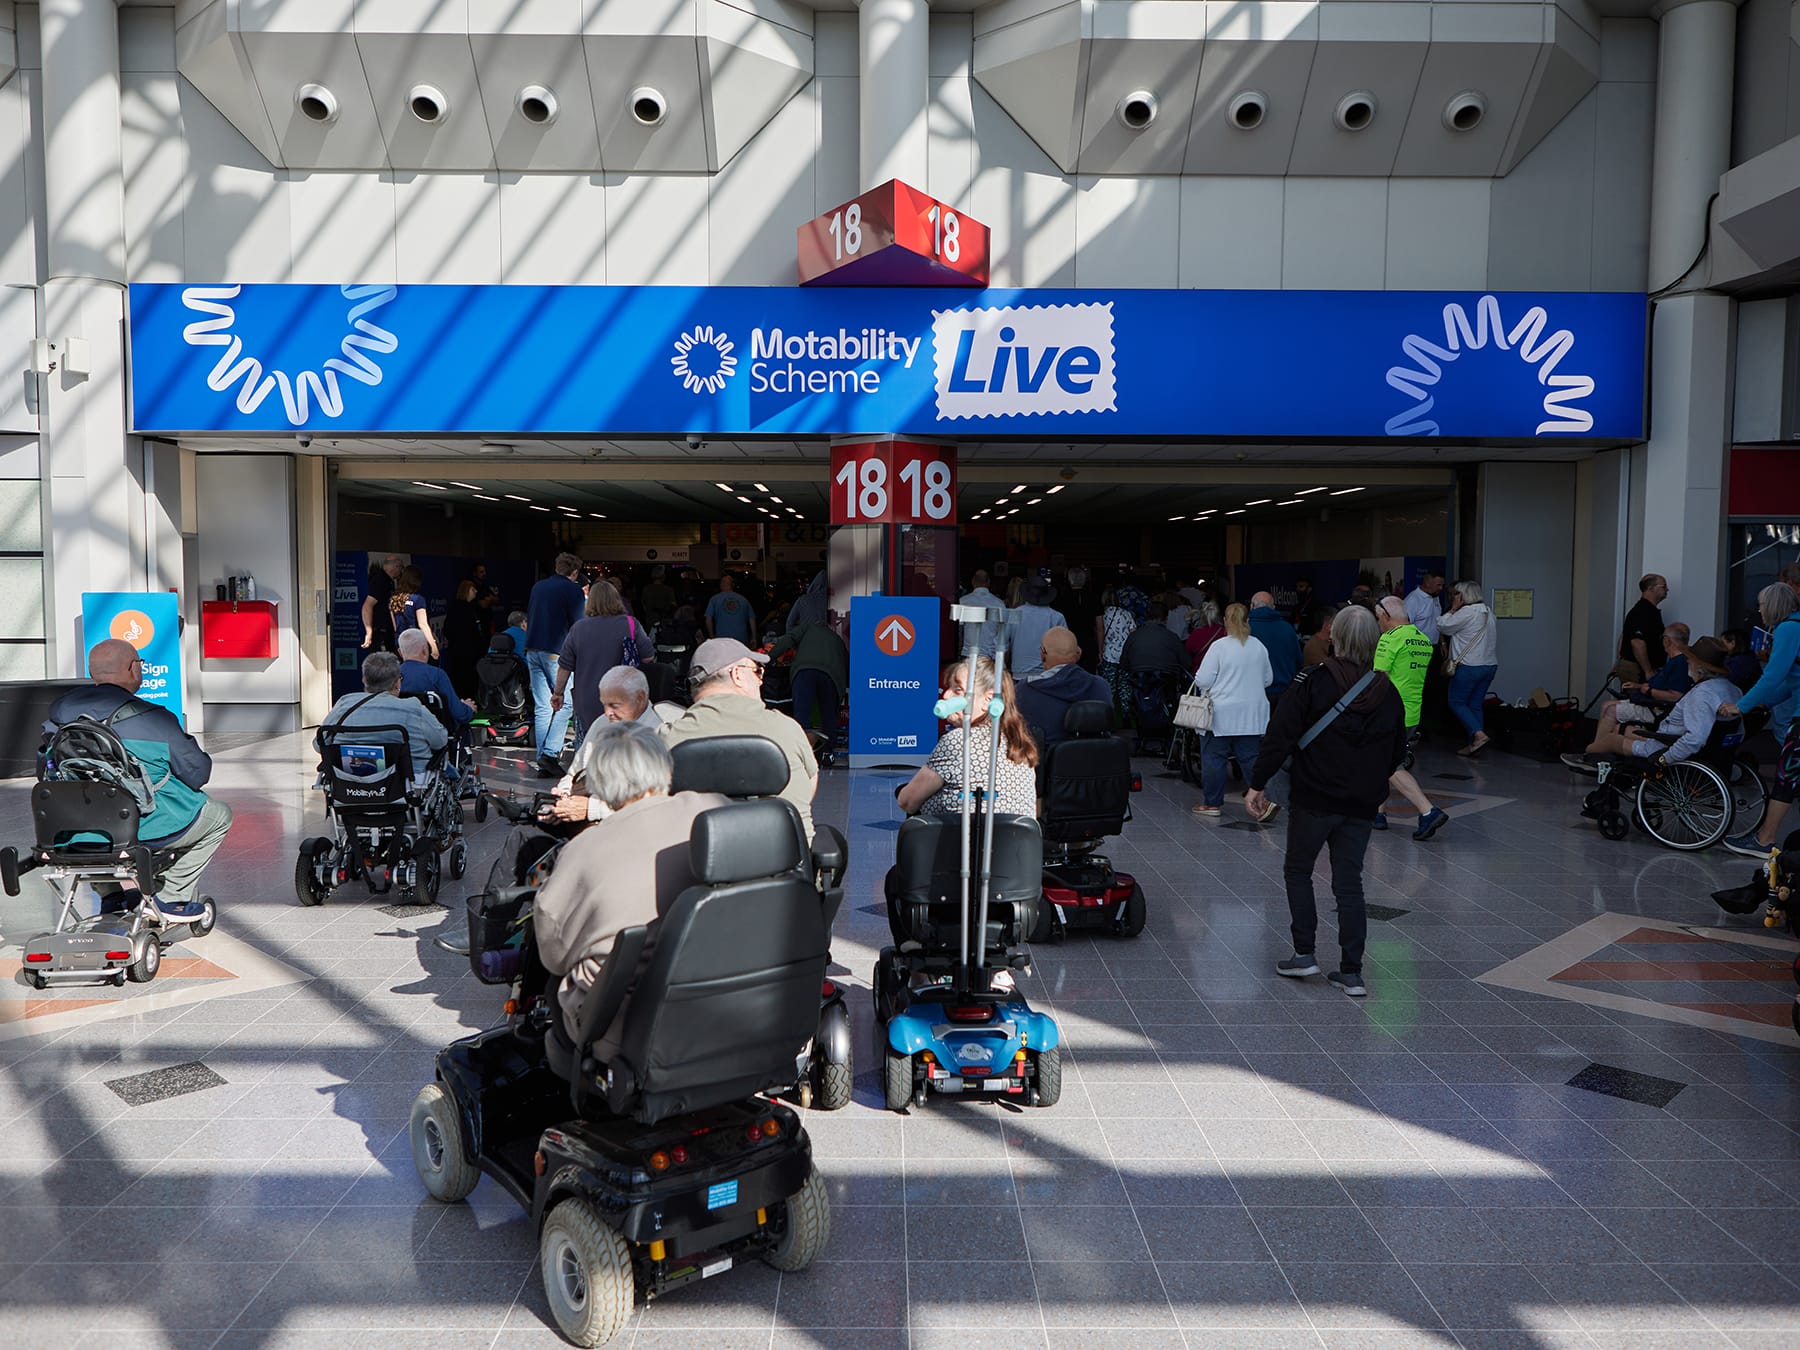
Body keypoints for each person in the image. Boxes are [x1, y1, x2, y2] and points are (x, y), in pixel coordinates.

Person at [532, 722, 731, 1051]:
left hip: (627, 1028)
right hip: (723, 999)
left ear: (600, 784)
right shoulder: (715, 808)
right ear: (665, 767)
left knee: (556, 987)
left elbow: (554, 957)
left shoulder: (582, 851)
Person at [1246, 606, 1407, 998]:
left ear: (1334, 638)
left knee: (1299, 871)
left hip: (1314, 797)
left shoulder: (1311, 682)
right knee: (1349, 883)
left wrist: (1257, 783)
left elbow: (1279, 736)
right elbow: (1397, 753)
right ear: (1374, 641)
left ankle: (1305, 953)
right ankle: (1352, 972)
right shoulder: (1387, 692)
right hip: (1362, 803)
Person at [45, 638, 234, 924]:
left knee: (98, 827)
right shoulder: (153, 719)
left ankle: (112, 896)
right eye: (140, 664)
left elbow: (45, 772)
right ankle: (170, 897)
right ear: (134, 669)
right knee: (218, 816)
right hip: (139, 826)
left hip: (72, 828)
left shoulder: (56, 718)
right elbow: (198, 773)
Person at [660, 637, 818, 840]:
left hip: (698, 867)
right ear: (738, 675)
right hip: (788, 865)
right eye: (757, 671)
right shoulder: (787, 728)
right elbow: (810, 784)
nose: (761, 680)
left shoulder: (667, 739)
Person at [897, 656, 1039, 820]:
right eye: (948, 688)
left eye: (958, 690)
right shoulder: (1020, 743)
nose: (946, 696)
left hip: (963, 842)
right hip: (1019, 842)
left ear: (988, 700)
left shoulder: (959, 740)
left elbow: (907, 801)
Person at [1721, 583, 1800, 858]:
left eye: (1762, 604)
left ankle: (1765, 840)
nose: (1759, 609)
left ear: (1774, 605)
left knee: (1786, 778)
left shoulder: (1788, 629)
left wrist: (1741, 706)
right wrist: (1765, 702)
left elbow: (1773, 676)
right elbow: (1791, 682)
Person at [1578, 637, 1739, 764]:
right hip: (1686, 743)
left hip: (1666, 747)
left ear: (1699, 667)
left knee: (1612, 740)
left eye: (1690, 659)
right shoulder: (1732, 689)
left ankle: (1584, 757)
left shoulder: (1701, 694)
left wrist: (1664, 759)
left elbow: (1694, 739)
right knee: (1623, 730)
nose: (1687, 661)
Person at [1188, 603, 1273, 819]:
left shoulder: (1219, 647)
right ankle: (1261, 801)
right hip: (1252, 716)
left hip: (1221, 715)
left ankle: (1212, 804)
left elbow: (1204, 679)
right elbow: (1268, 680)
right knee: (1251, 759)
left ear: (1226, 621)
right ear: (1247, 621)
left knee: (1214, 760)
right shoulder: (1259, 646)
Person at [1373, 598, 1448, 840]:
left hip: (1389, 711)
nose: (1377, 623)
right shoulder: (1422, 639)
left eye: (1377, 618)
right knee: (1385, 761)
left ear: (1386, 616)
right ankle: (1378, 813)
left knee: (1389, 765)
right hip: (1412, 712)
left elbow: (1379, 680)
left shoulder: (1390, 639)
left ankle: (1428, 811)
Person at [550, 667, 664, 823]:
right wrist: (564, 794)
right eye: (604, 704)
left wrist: (591, 809)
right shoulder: (602, 722)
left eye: (615, 705)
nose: (608, 712)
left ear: (640, 698)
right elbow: (573, 774)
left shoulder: (658, 734)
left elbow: (649, 804)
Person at [321, 650, 450, 781]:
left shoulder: (344, 704)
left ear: (364, 680)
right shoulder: (413, 708)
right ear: (397, 683)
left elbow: (319, 744)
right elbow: (440, 741)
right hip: (409, 784)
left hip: (348, 786)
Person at [553, 580, 642, 743]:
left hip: (586, 702)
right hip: (622, 700)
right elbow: (648, 656)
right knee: (618, 749)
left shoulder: (578, 628)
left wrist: (558, 693)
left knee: (586, 751)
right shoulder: (630, 624)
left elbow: (564, 667)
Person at [525, 552, 587, 772]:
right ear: (574, 572)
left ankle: (543, 758)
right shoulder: (573, 590)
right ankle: (550, 753)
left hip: (532, 649)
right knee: (566, 702)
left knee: (543, 706)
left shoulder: (538, 587)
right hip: (556, 651)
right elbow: (580, 625)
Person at [1015, 627, 1111, 750]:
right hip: (1098, 762)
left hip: (1046, 766)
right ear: (1078, 654)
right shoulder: (1101, 686)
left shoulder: (1023, 690)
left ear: (1042, 654)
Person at [769, 614, 849, 752]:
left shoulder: (807, 628)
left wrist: (768, 657)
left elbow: (789, 639)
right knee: (829, 715)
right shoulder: (838, 639)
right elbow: (846, 665)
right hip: (830, 676)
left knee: (802, 714)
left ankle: (800, 751)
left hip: (805, 671)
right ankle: (828, 753)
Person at [1438, 580, 1498, 756]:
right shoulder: (1489, 612)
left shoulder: (1466, 612)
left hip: (1469, 667)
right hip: (1489, 665)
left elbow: (1442, 625)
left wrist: (1453, 609)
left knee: (1456, 702)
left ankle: (1478, 735)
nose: (1454, 597)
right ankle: (1475, 745)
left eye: (1457, 594)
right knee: (1475, 704)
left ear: (1462, 596)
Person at [396, 629, 474, 738]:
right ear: (425, 649)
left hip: (401, 735)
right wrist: (468, 709)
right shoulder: (437, 675)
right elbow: (459, 713)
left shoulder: (391, 677)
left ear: (400, 652)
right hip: (435, 737)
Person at [1248, 591, 1302, 700]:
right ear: (1273, 607)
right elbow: (1299, 662)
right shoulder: (1287, 629)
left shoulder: (1245, 630)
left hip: (1253, 695)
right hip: (1283, 694)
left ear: (1252, 606)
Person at [1096, 586, 1141, 716]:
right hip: (1124, 656)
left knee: (1109, 687)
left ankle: (1109, 714)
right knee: (1125, 686)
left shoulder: (1101, 615)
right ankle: (1126, 714)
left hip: (1108, 654)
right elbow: (1133, 633)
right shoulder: (1125, 614)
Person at [1616, 573, 1670, 681]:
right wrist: (1648, 671)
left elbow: (1624, 635)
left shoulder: (1648, 611)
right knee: (1637, 697)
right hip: (1637, 669)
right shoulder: (1643, 612)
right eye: (1664, 586)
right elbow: (1637, 642)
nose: (1667, 590)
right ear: (1651, 588)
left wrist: (1620, 658)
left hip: (1638, 667)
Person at [1010, 576, 1066, 678]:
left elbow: (1002, 644)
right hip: (1048, 673)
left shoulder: (1014, 614)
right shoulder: (1056, 617)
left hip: (1019, 672)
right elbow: (1064, 649)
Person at [443, 579, 488, 698]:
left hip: (462, 651)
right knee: (465, 678)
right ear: (466, 591)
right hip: (465, 651)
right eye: (473, 589)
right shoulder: (463, 609)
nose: (476, 591)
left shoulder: (468, 607)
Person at [1121, 600, 1189, 677]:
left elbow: (1124, 664)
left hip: (1138, 682)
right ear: (1166, 618)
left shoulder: (1133, 636)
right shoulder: (1172, 637)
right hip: (1166, 683)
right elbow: (1186, 663)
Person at [387, 565, 437, 662]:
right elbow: (423, 624)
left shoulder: (393, 599)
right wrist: (433, 646)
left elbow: (395, 627)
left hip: (400, 642)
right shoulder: (418, 599)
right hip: (415, 642)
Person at [1059, 565, 1103, 670]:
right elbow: (1100, 628)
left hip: (1068, 644)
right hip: (1089, 642)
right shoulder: (1093, 597)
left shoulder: (1062, 598)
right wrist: (1100, 650)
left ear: (1069, 581)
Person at [361, 554, 404, 652]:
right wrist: (369, 631)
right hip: (380, 632)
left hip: (386, 631)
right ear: (395, 567)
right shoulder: (380, 581)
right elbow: (367, 606)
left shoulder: (389, 581)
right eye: (400, 567)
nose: (401, 571)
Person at [960, 569, 1007, 656]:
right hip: (989, 654)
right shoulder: (999, 603)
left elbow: (960, 630)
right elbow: (1002, 632)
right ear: (988, 582)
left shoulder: (963, 601)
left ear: (973, 581)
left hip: (968, 652)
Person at [703, 574, 757, 644]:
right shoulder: (743, 599)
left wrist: (712, 636)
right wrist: (753, 638)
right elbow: (752, 619)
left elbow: (708, 620)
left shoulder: (714, 599)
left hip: (722, 640)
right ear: (732, 585)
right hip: (741, 640)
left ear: (721, 584)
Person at [1404, 569, 1444, 646]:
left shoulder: (1436, 597)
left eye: (1442, 585)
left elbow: (1437, 622)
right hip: (1418, 648)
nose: (1441, 588)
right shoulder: (1412, 600)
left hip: (1435, 646)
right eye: (1438, 585)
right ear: (1427, 583)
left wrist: (1442, 642)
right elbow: (1405, 626)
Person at [1183, 601, 1226, 671]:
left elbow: (1186, 656)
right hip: (1220, 673)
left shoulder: (1195, 634)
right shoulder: (1225, 632)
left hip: (1199, 672)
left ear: (1202, 617)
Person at [638, 565, 677, 631]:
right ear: (663, 576)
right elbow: (673, 605)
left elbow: (643, 606)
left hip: (650, 619)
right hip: (664, 620)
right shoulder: (668, 589)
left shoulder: (646, 589)